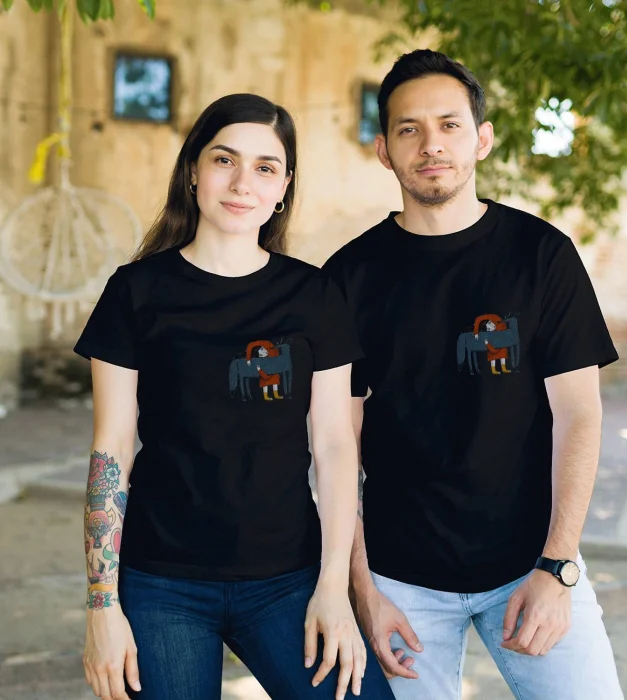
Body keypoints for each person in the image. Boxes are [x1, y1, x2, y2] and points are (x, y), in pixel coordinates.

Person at [324, 50, 624, 700]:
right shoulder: (348, 278)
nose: (431, 144)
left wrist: (558, 567)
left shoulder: (541, 256)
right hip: (399, 582)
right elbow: (336, 445)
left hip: (532, 562)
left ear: (482, 139)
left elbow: (579, 414)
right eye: (409, 128)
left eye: (449, 124)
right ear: (383, 150)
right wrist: (362, 591)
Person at [75, 93, 396, 700]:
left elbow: (334, 444)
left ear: (283, 188)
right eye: (225, 160)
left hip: (289, 577)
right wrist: (101, 605)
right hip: (160, 581)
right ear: (193, 170)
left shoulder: (314, 296)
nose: (242, 182)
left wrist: (334, 588)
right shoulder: (135, 292)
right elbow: (110, 449)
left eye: (265, 167)